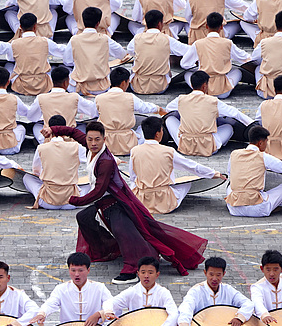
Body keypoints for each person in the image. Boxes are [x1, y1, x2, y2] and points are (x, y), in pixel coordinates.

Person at [46, 121, 208, 283]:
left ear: (104, 139)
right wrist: (53, 130)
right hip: (104, 202)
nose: (93, 143)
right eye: (90, 139)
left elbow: (99, 190)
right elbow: (73, 132)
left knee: (126, 233)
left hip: (117, 203)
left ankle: (131, 269)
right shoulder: (91, 149)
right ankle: (109, 249)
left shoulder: (106, 161)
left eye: (97, 140)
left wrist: (76, 200)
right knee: (84, 217)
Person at [164, 71, 253, 156]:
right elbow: (235, 113)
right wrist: (252, 123)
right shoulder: (213, 101)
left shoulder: (180, 99)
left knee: (170, 119)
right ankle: (220, 145)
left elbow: (168, 108)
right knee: (229, 127)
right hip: (208, 146)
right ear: (205, 86)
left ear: (191, 85)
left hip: (186, 146)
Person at [180, 13, 251, 99]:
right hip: (223, 91)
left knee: (187, 73)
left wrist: (199, 70)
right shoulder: (228, 43)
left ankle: (198, 89)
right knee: (238, 71)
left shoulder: (198, 44)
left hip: (203, 90)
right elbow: (245, 58)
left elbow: (184, 64)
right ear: (221, 27)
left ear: (206, 26)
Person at [176, 257, 254, 326]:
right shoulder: (196, 291)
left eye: (218, 275)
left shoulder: (228, 289)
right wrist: (184, 323)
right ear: (205, 273)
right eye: (211, 274)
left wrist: (239, 318)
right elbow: (186, 307)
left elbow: (248, 304)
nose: (214, 279)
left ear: (224, 274)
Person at [113, 257, 179, 326]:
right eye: (143, 272)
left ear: (157, 274)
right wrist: (106, 311)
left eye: (150, 273)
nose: (146, 276)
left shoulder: (163, 293)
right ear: (138, 273)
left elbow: (174, 314)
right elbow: (112, 303)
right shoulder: (132, 291)